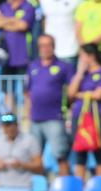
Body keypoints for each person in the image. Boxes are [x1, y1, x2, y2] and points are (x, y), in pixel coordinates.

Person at [26, 35, 74, 177]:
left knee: (60, 155)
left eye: (48, 45)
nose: (45, 49)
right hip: (35, 118)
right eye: (42, 45)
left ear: (53, 47)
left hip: (55, 117)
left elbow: (72, 90)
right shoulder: (33, 66)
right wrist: (27, 113)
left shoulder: (63, 67)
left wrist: (68, 109)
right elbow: (27, 92)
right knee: (35, 157)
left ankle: (65, 187)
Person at [67, 43, 101, 179]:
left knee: (99, 152)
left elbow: (99, 94)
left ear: (91, 56)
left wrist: (81, 94)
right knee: (80, 153)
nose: (80, 58)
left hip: (95, 116)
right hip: (78, 117)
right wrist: (79, 73)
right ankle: (80, 186)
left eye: (82, 55)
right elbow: (70, 93)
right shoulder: (80, 74)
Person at [0, 0, 37, 76]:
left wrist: (3, 21)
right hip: (5, 55)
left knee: (21, 85)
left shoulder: (28, 6)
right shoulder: (4, 6)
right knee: (5, 85)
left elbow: (23, 26)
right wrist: (12, 20)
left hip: (22, 55)